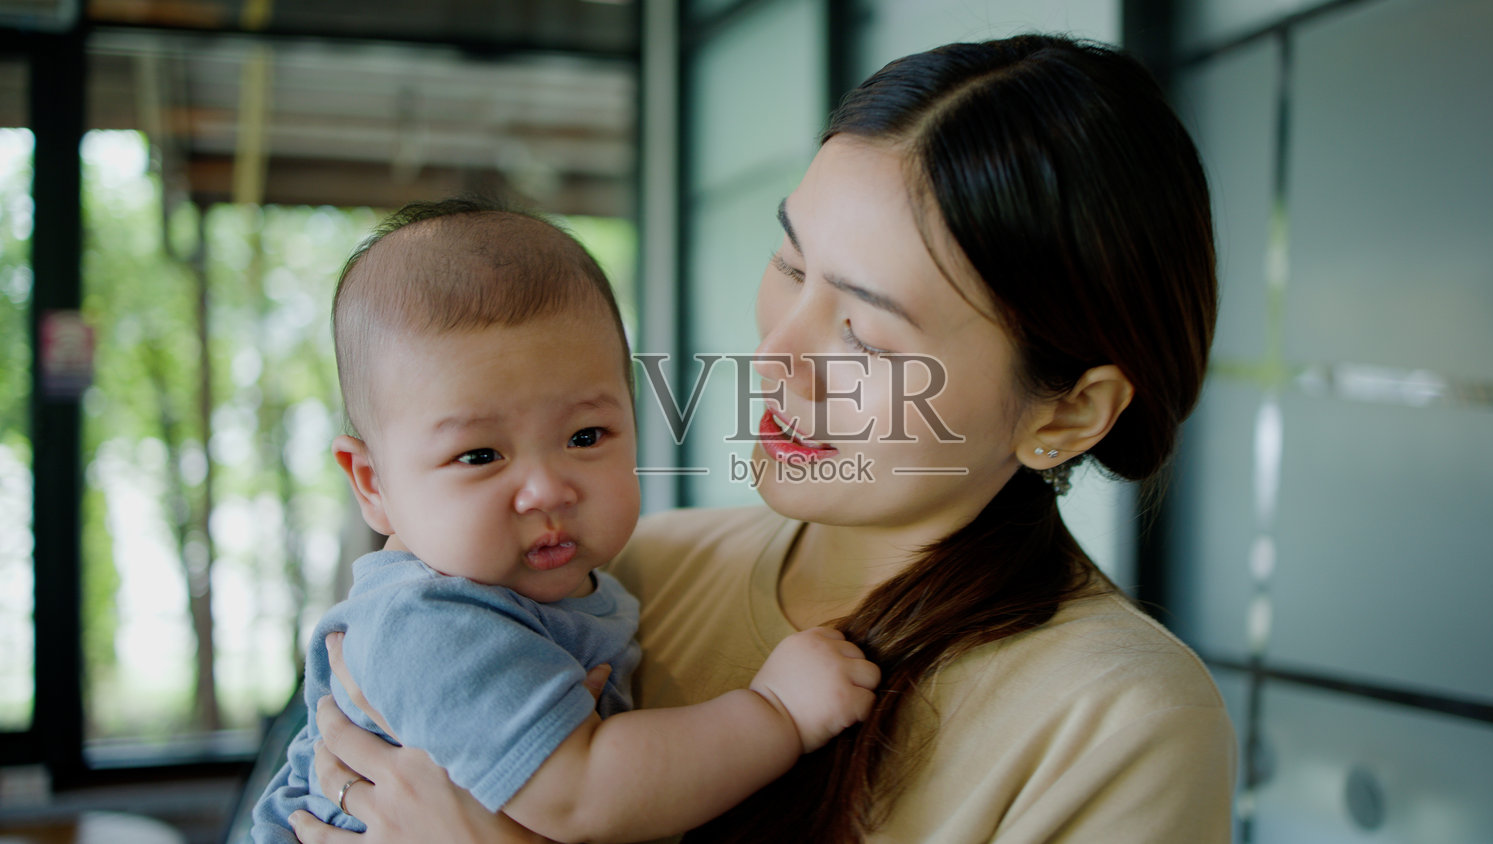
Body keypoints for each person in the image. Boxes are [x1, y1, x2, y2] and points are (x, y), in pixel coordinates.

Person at [290, 34, 1236, 844]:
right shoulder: (622, 576)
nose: (775, 356)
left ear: (1066, 411)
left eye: (864, 332)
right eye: (789, 264)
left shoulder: (1118, 722)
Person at [253, 200, 881, 844]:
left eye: (585, 435)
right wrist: (776, 712)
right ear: (372, 483)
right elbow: (583, 793)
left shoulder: (575, 579)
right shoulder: (427, 622)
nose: (547, 489)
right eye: (479, 455)